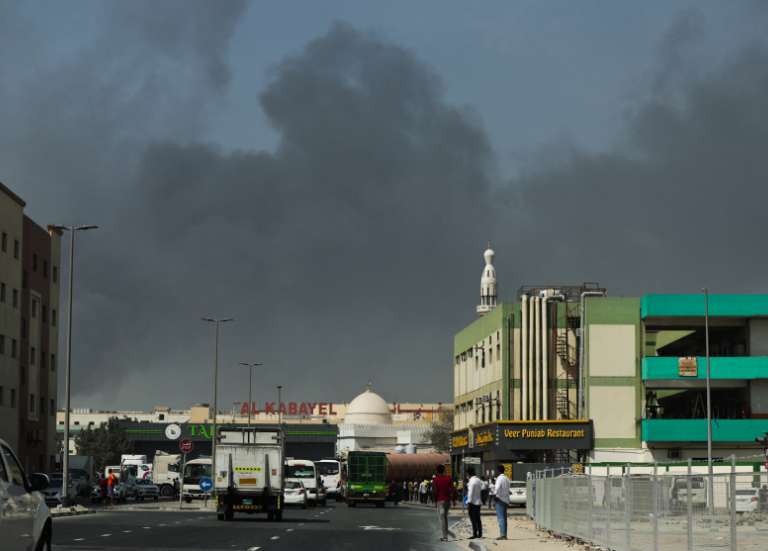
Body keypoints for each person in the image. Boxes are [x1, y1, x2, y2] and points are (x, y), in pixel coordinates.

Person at [433, 464, 455, 542]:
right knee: (445, 518)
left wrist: (435, 502)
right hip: (447, 501)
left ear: (437, 471)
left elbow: (435, 492)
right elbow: (452, 489)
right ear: (444, 470)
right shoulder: (449, 478)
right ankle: (446, 534)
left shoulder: (435, 479)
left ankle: (445, 536)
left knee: (442, 519)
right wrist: (453, 500)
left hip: (440, 501)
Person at [493, 465, 511, 540]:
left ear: (498, 471)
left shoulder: (499, 478)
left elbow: (497, 488)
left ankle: (502, 535)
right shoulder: (507, 478)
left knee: (500, 518)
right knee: (504, 518)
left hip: (500, 499)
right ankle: (504, 534)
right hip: (506, 499)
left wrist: (495, 496)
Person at [466, 467, 483, 539]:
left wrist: (468, 502)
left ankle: (474, 533)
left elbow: (470, 492)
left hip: (472, 502)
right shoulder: (478, 480)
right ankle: (480, 533)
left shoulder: (471, 481)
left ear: (468, 474)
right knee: (478, 518)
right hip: (478, 501)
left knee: (473, 519)